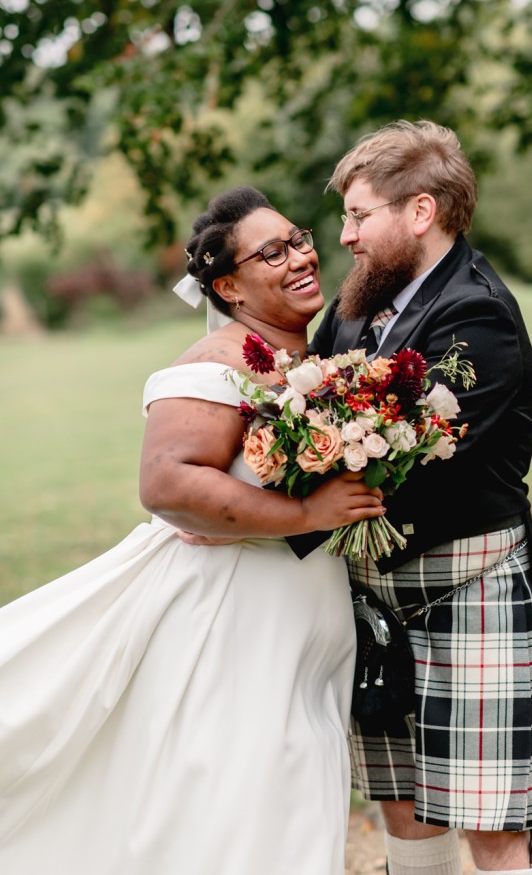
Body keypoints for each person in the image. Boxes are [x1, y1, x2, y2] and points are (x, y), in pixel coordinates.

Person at [0, 185, 386, 875]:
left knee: (288, 795)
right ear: (229, 285)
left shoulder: (307, 359)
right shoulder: (217, 362)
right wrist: (304, 515)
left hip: (301, 619)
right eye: (272, 252)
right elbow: (168, 483)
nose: (300, 257)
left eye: (298, 239)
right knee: (238, 796)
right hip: (229, 619)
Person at [298, 121, 532, 875]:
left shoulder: (476, 314)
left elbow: (408, 463)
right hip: (376, 598)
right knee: (402, 803)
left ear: (419, 212)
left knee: (492, 820)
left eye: (358, 214)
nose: (343, 236)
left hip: (467, 586)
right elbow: (306, 410)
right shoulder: (354, 304)